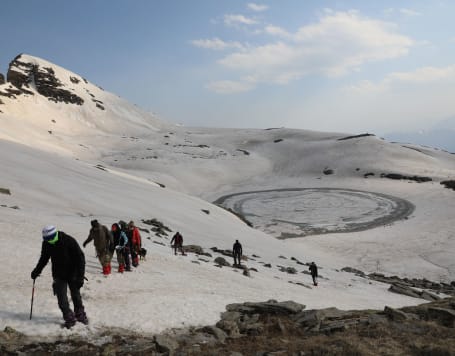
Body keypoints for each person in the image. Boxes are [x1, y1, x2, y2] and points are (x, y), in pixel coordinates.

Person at [31, 225, 88, 328]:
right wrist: (36, 271)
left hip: (73, 272)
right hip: (59, 273)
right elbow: (44, 258)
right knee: (61, 297)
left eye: (51, 238)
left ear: (55, 234)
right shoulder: (47, 244)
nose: (49, 241)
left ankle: (80, 314)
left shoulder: (68, 240)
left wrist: (80, 276)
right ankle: (68, 316)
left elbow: (80, 258)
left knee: (75, 295)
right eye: (47, 239)